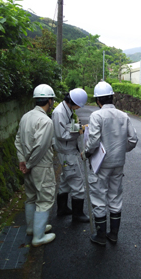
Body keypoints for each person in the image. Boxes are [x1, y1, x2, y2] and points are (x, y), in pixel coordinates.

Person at [83, 81, 138, 246]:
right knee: (115, 196)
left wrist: (86, 152)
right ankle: (113, 234)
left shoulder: (96, 116)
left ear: (98, 100)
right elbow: (133, 140)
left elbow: (93, 141)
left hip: (101, 164)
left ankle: (100, 236)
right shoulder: (123, 115)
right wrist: (121, 149)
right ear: (112, 97)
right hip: (118, 163)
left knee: (99, 197)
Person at [15, 84, 56, 247]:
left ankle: (33, 228)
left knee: (31, 197)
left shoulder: (26, 116)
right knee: (45, 198)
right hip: (40, 166)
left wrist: (22, 161)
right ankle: (38, 237)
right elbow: (40, 147)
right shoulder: (46, 121)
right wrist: (30, 164)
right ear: (50, 100)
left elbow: (17, 139)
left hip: (28, 164)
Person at [52, 88, 90, 223]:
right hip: (66, 152)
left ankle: (62, 209)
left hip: (67, 150)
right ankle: (77, 214)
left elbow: (66, 128)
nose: (79, 107)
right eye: (79, 105)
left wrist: (78, 127)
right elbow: (60, 134)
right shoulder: (59, 113)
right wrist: (79, 131)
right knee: (77, 181)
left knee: (65, 180)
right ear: (74, 102)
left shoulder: (66, 109)